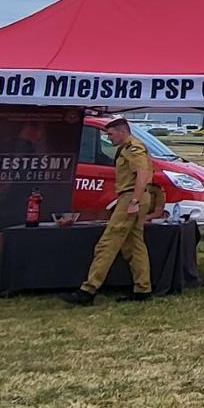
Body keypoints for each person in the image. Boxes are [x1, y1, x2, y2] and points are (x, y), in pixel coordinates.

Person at [61, 119, 156, 305]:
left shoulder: (133, 148)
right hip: (133, 196)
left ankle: (88, 290)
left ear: (122, 131)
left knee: (108, 243)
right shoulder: (129, 148)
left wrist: (134, 201)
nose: (108, 138)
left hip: (131, 197)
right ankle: (142, 289)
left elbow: (142, 174)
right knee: (134, 245)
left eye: (111, 134)